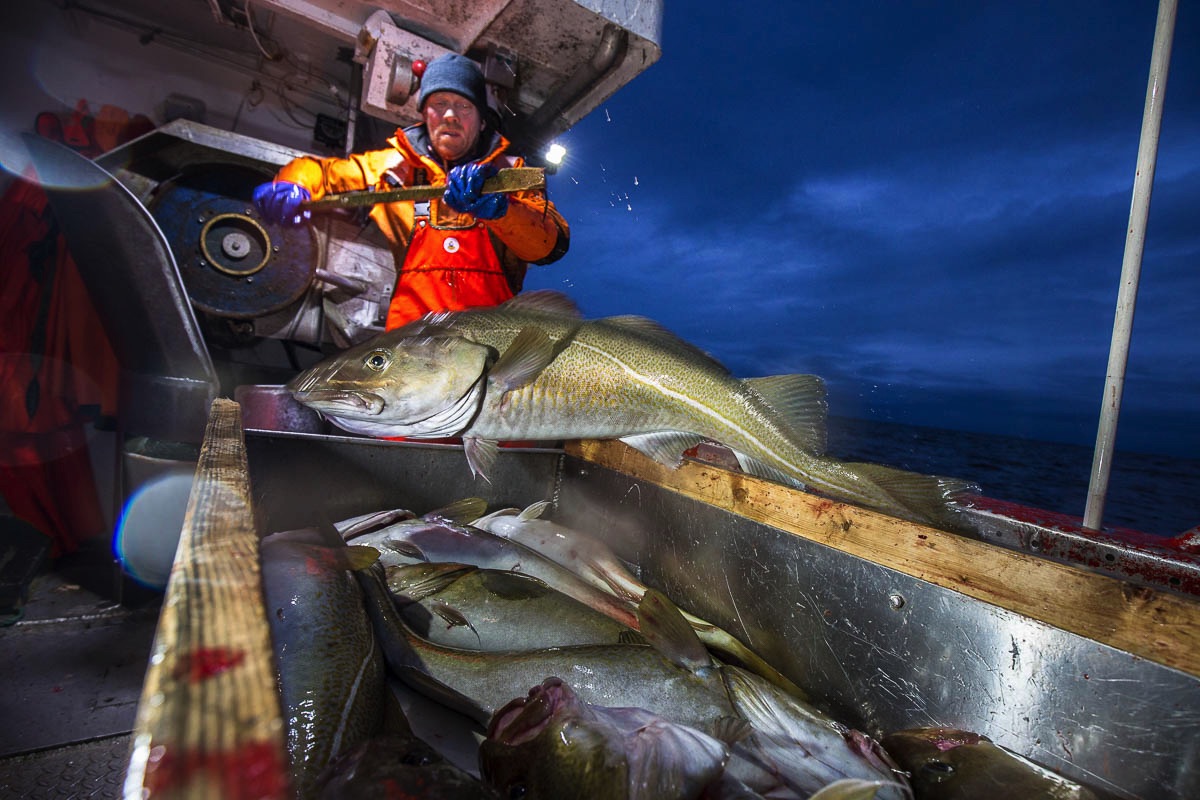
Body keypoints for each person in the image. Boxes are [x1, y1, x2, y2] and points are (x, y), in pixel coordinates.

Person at [253, 53, 569, 330]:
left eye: (463, 105)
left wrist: (502, 210)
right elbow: (324, 174)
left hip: (488, 344)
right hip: (410, 345)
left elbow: (549, 246)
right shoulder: (393, 167)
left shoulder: (511, 173)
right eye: (439, 103)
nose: (450, 115)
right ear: (423, 114)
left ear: (483, 121)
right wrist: (291, 184)